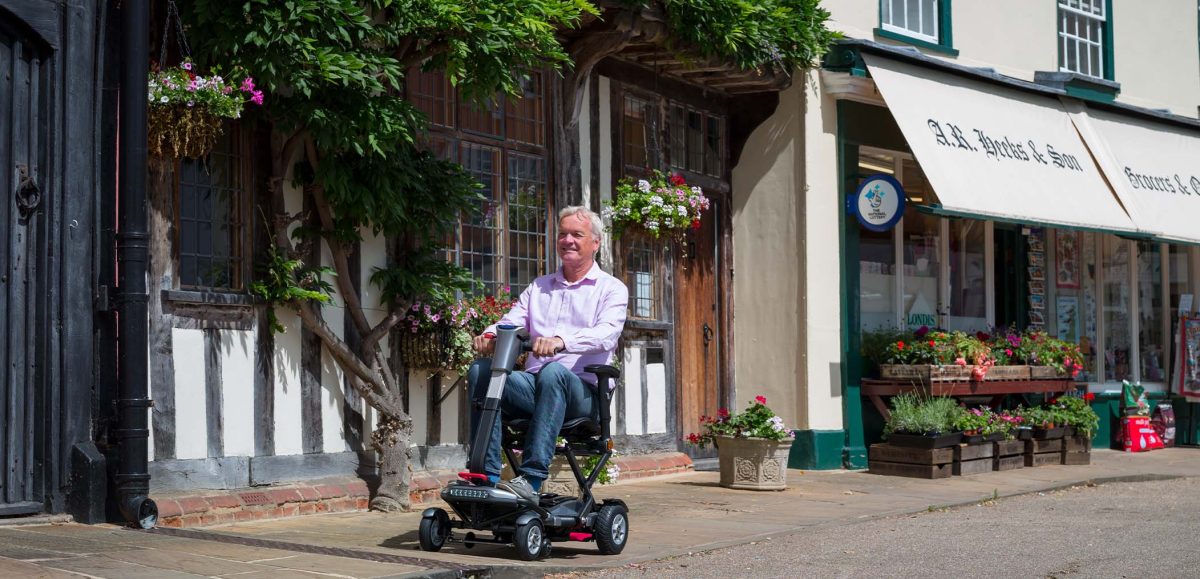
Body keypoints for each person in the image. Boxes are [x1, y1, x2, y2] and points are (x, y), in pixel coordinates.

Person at [468, 205, 628, 502]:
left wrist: (561, 341)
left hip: (582, 397)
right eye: (563, 234)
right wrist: (491, 334)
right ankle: (485, 476)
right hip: (534, 388)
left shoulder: (611, 289)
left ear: (595, 242)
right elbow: (512, 320)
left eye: (576, 234)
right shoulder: (539, 287)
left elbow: (606, 334)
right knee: (481, 370)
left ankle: (530, 479)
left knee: (554, 371)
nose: (567, 240)